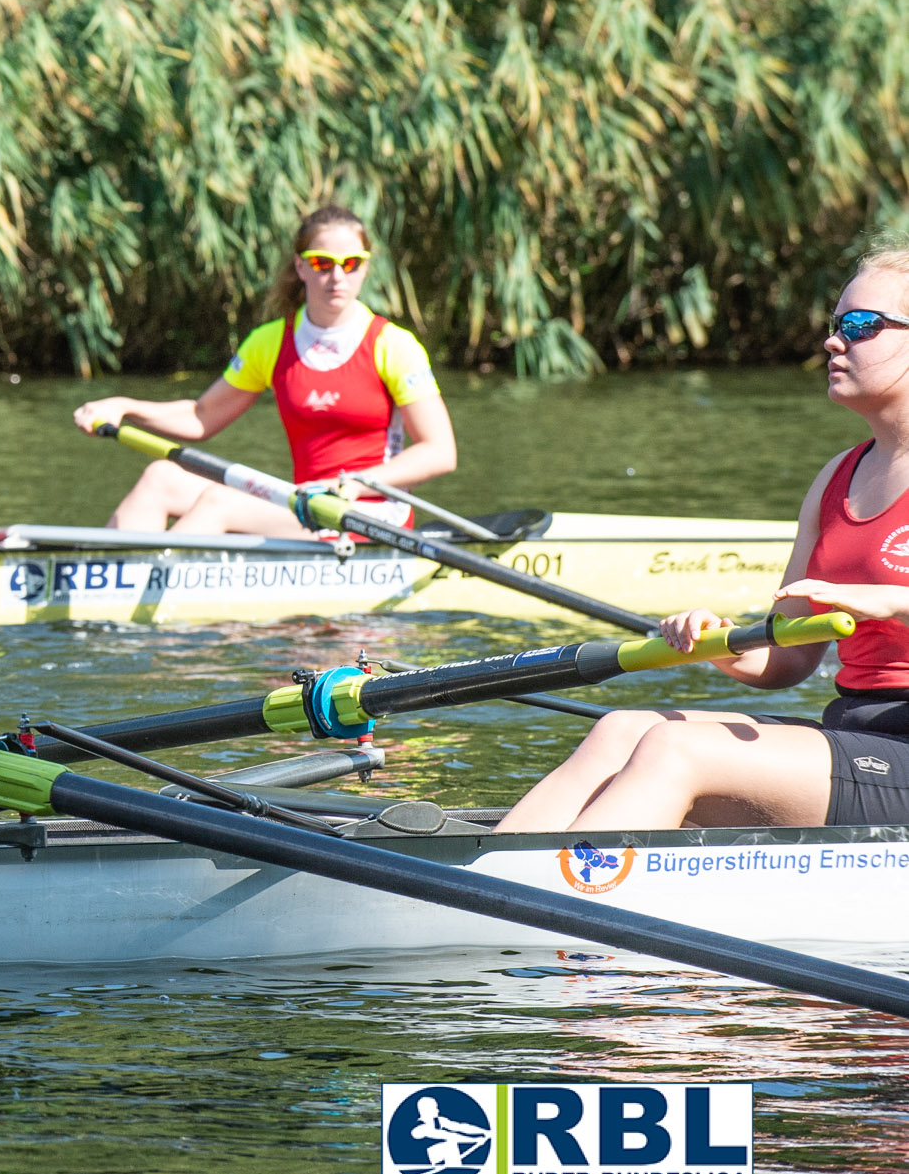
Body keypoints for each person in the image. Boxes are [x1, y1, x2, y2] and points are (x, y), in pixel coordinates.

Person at [498, 246, 909, 834]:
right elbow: (787, 657)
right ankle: (473, 882)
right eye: (834, 325)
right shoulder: (835, 478)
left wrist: (893, 604)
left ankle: (551, 900)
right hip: (856, 734)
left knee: (676, 749)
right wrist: (720, 642)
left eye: (860, 325)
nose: (833, 342)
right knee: (624, 729)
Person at [74, 205, 456, 536]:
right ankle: (105, 576)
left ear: (365, 268)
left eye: (351, 264)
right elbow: (201, 416)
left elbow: (439, 452)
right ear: (300, 266)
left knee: (218, 502)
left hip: (367, 514)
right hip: (305, 505)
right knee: (161, 477)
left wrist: (355, 484)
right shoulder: (271, 342)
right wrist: (125, 407)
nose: (337, 277)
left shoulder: (393, 345)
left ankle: (137, 591)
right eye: (323, 263)